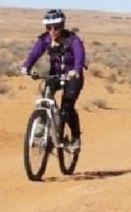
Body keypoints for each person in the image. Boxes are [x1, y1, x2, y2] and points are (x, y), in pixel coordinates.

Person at [20, 9, 87, 149]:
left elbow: (79, 56)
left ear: (62, 26)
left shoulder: (73, 40)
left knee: (67, 108)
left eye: (55, 27)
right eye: (49, 28)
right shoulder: (44, 39)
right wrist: (26, 67)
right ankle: (41, 125)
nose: (52, 31)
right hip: (55, 74)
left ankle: (75, 137)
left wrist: (76, 70)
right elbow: (34, 53)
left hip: (72, 76)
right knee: (45, 94)